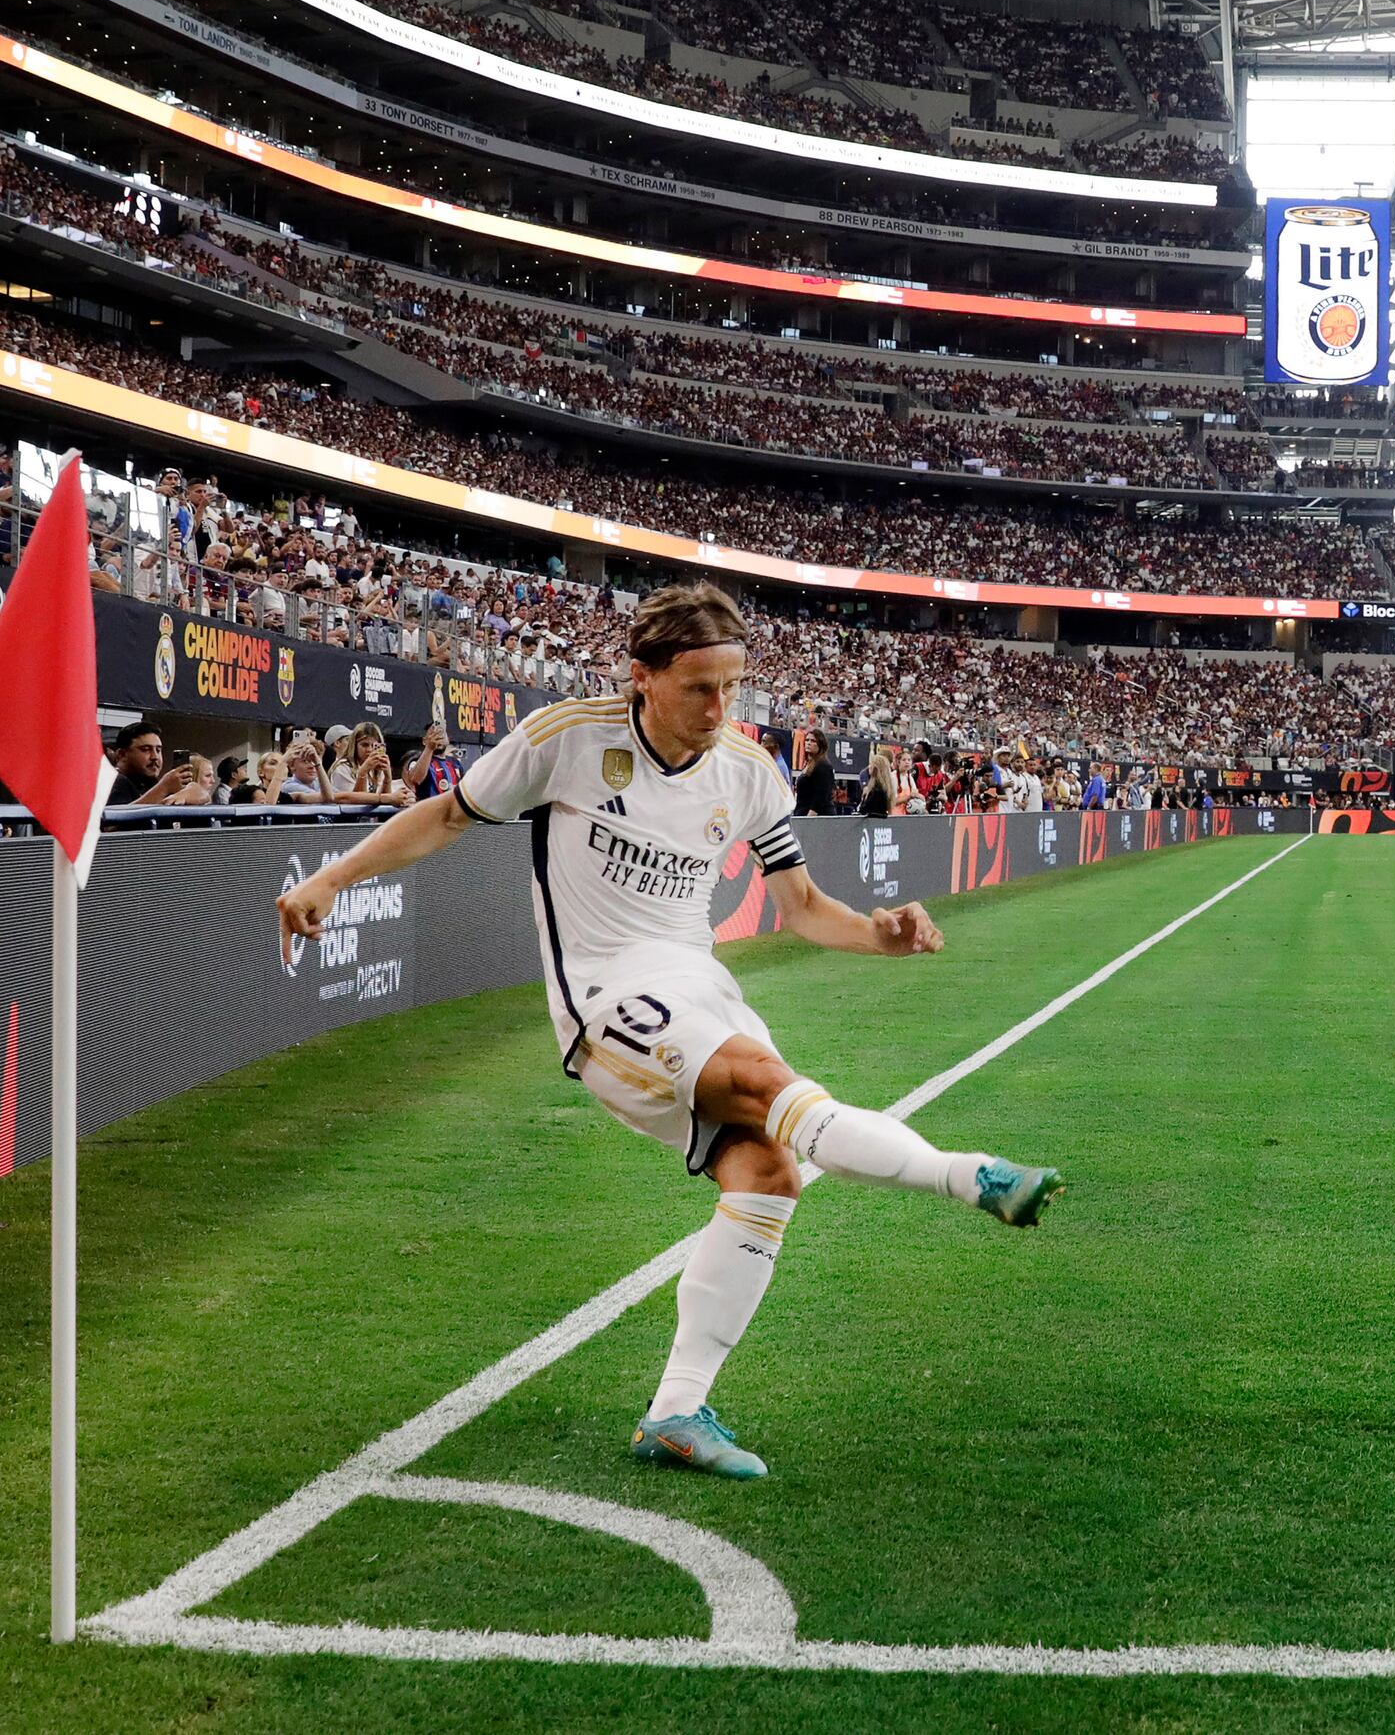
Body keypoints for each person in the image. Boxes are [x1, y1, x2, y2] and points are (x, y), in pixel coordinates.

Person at [274, 582, 1060, 1482]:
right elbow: (447, 815)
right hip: (605, 996)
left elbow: (801, 908)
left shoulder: (748, 773)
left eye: (733, 686)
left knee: (768, 1172)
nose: (720, 709)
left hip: (698, 983)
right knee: (769, 1086)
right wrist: (331, 880)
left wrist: (876, 933)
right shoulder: (569, 739)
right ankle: (971, 1178)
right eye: (699, 688)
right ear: (641, 677)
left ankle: (676, 1413)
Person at [104, 721, 200, 808]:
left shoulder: (149, 782)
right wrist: (164, 788)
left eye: (158, 750)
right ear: (122, 754)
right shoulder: (113, 782)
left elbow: (202, 794)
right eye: (145, 750)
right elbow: (111, 823)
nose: (155, 757)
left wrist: (186, 792)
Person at [790, 730, 836, 817]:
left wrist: (810, 818)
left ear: (820, 744)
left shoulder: (823, 765)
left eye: (813, 741)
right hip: (802, 813)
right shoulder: (808, 764)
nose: (808, 743)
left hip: (817, 817)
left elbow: (821, 795)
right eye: (807, 740)